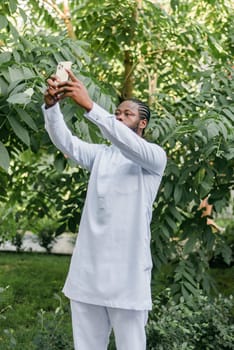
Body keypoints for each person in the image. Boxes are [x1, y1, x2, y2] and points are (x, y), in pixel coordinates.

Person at [42, 70, 167, 350]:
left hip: (128, 276)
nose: (120, 117)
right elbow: (66, 142)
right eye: (117, 113)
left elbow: (124, 140)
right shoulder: (101, 155)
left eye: (127, 114)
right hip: (88, 274)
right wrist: (51, 108)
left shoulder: (153, 158)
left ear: (142, 123)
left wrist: (89, 106)